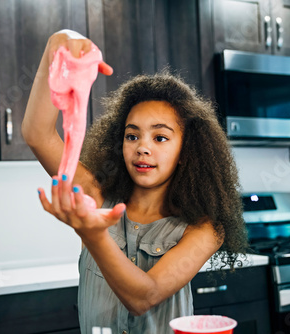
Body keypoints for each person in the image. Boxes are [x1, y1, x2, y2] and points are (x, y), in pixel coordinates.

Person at [22, 30, 248, 334]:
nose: (143, 147)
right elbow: (37, 134)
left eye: (160, 137)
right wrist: (56, 47)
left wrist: (92, 234)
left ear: (185, 151)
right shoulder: (95, 193)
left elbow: (145, 296)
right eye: (132, 135)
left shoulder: (205, 227)